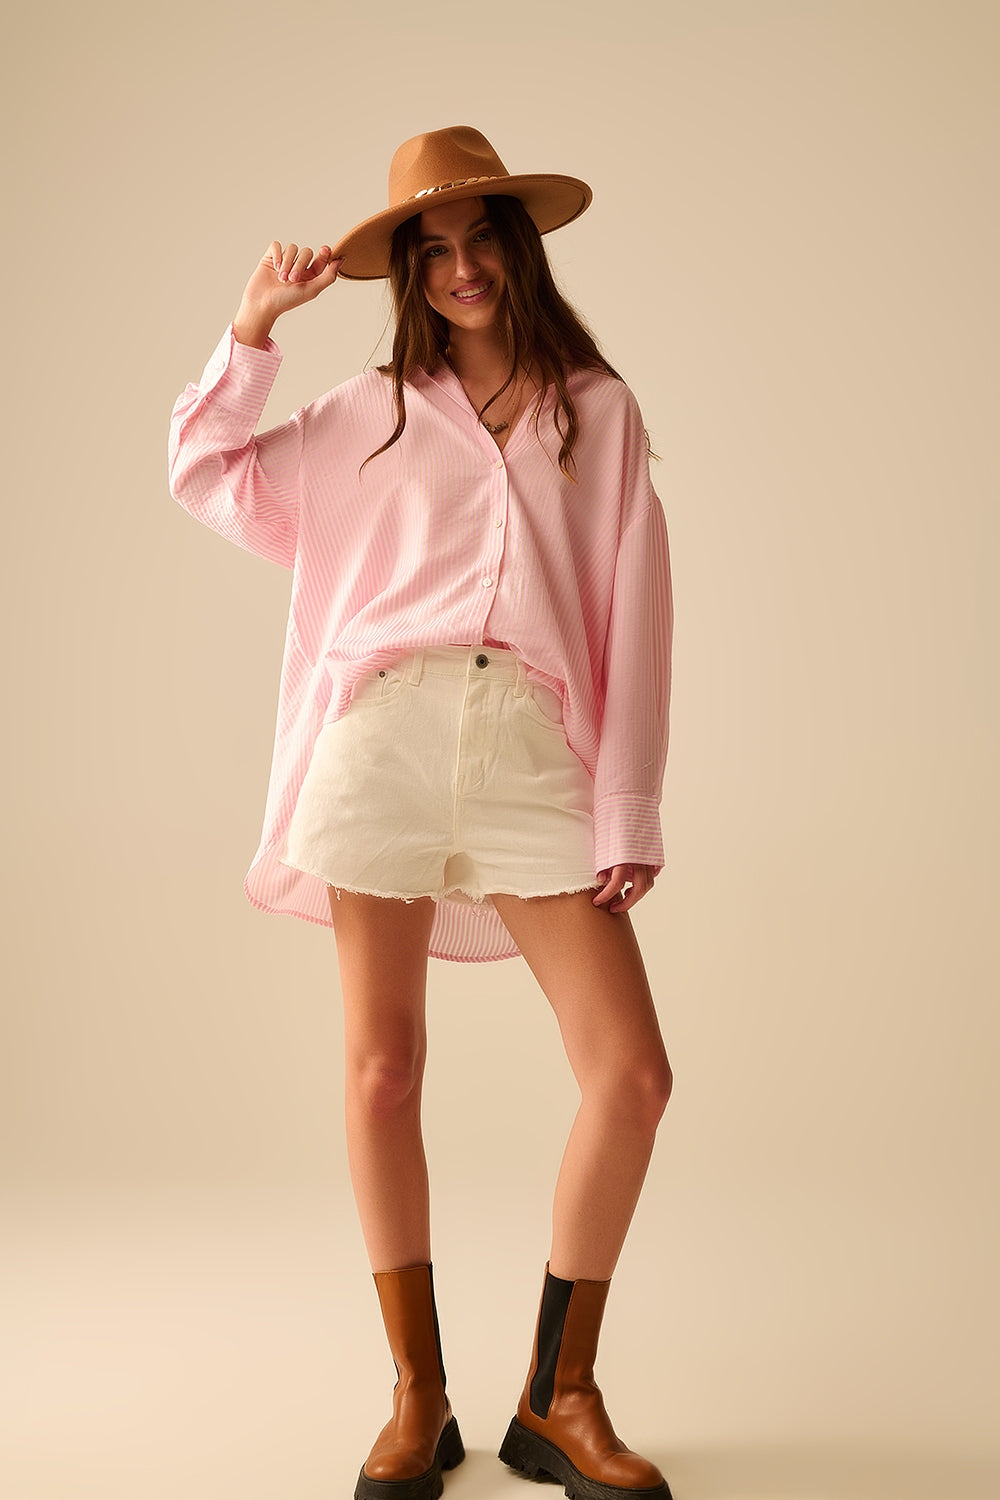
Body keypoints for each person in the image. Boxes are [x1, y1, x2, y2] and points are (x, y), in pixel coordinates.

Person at [168, 125, 675, 1500]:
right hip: (380, 746)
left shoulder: (599, 411)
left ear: (518, 245)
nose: (460, 267)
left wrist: (626, 806)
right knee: (382, 1070)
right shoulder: (369, 412)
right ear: (406, 271)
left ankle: (560, 1396)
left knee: (630, 1076)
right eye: (432, 249)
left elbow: (635, 611)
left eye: (480, 237)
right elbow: (207, 472)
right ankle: (418, 1395)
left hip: (530, 744)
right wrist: (253, 331)